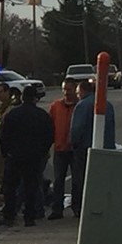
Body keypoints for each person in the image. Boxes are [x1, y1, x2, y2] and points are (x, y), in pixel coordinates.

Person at [0, 86, 55, 226]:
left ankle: (9, 215)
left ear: (22, 97)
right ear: (35, 98)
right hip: (34, 157)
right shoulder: (42, 115)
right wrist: (42, 152)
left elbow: (3, 135)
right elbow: (49, 136)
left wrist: (6, 153)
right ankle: (29, 217)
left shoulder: (12, 114)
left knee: (10, 187)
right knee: (32, 187)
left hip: (15, 156)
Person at [68, 78, 116, 214]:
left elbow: (77, 129)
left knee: (82, 180)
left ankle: (81, 209)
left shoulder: (82, 106)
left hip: (85, 149)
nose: (77, 95)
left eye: (78, 93)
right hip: (106, 149)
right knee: (102, 181)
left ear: (83, 90)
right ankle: (103, 205)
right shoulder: (108, 105)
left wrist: (73, 143)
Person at [46, 78, 81, 220]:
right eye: (64, 89)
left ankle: (77, 207)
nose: (66, 92)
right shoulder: (56, 106)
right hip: (60, 149)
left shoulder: (80, 106)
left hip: (75, 149)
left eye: (69, 89)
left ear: (75, 90)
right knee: (58, 180)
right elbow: (49, 127)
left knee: (77, 180)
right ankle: (57, 209)